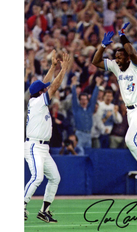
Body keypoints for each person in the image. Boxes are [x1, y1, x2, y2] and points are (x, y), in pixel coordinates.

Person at [92, 22, 137, 200]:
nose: (117, 59)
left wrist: (123, 36)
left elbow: (132, 52)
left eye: (120, 56)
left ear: (126, 57)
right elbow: (95, 62)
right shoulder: (116, 67)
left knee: (129, 139)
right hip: (131, 112)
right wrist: (102, 46)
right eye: (116, 56)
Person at [24, 50, 71, 222]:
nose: (46, 89)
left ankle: (44, 210)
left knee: (55, 178)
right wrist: (63, 69)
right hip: (34, 146)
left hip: (42, 147)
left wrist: (52, 66)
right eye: (44, 89)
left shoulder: (35, 99)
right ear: (40, 93)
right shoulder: (38, 101)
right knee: (37, 177)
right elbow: (54, 86)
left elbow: (43, 84)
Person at [71, 76, 102, 148]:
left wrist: (97, 85)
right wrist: (74, 85)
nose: (83, 101)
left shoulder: (90, 109)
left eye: (85, 99)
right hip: (79, 134)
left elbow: (94, 98)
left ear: (88, 101)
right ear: (79, 101)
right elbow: (74, 98)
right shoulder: (76, 109)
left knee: (88, 153)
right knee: (80, 152)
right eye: (82, 99)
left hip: (88, 135)